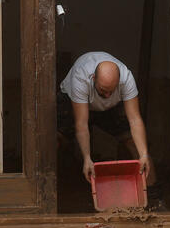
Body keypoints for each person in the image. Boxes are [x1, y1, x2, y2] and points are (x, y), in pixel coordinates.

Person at [60, 52, 154, 189]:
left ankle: (150, 190)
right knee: (58, 139)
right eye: (104, 90)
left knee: (133, 141)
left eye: (112, 90)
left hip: (112, 107)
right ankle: (59, 189)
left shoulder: (126, 78)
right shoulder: (80, 78)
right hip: (72, 102)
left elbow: (135, 119)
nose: (108, 95)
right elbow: (81, 124)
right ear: (93, 78)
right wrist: (87, 158)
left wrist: (144, 154)